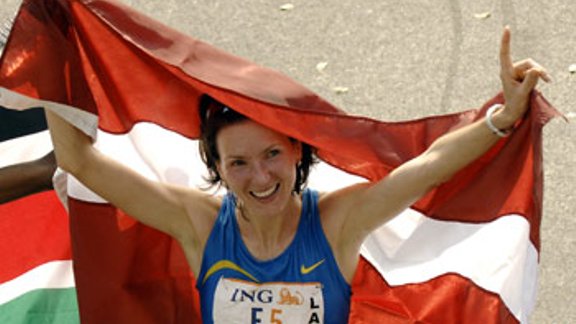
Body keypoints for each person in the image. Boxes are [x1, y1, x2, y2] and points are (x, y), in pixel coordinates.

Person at [44, 27, 550, 323]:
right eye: (238, 163)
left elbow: (429, 167)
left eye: (271, 155)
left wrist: (503, 117)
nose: (259, 177)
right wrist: (50, 64)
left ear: (296, 153)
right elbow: (81, 162)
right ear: (217, 168)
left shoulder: (337, 223)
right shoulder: (198, 223)